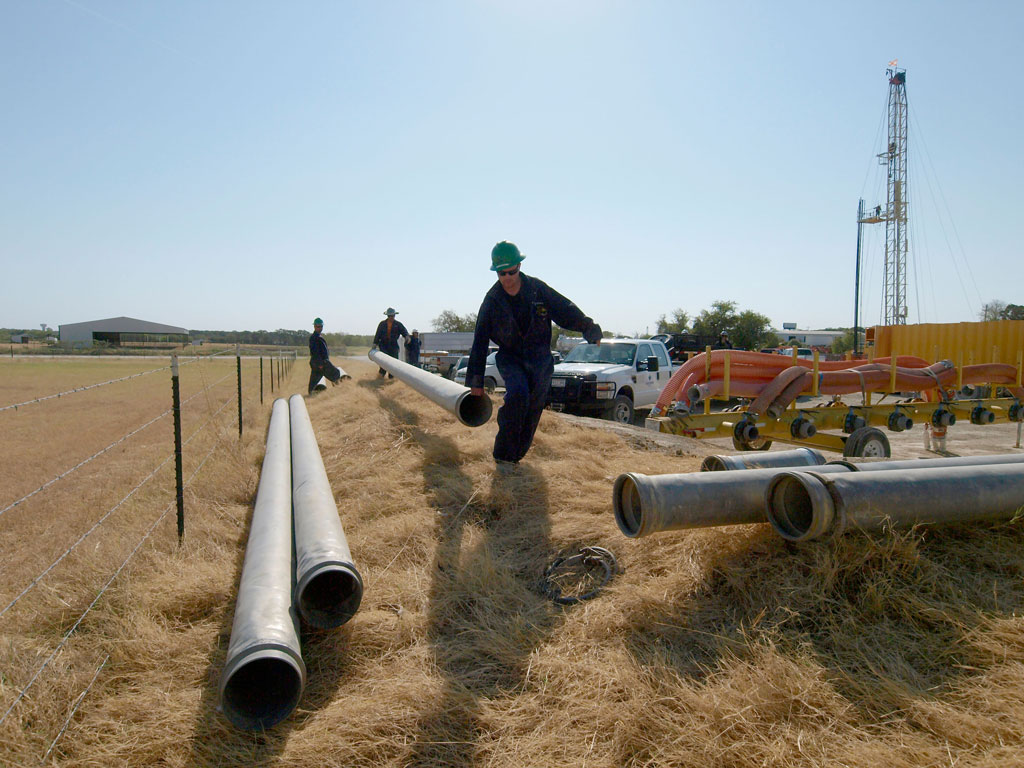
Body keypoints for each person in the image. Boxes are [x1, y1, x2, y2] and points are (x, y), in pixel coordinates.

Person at [467, 241, 602, 472]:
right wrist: (476, 381)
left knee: (534, 407)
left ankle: (516, 456)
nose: (508, 277)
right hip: (510, 357)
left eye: (512, 271)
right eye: (502, 273)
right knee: (518, 395)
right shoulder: (491, 301)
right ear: (496, 272)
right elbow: (479, 340)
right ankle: (503, 457)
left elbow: (564, 309)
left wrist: (589, 327)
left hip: (540, 358)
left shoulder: (538, 290)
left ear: (519, 266)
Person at [373, 307, 410, 378]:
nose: (391, 317)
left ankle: (391, 378)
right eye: (389, 316)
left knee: (393, 363)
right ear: (387, 316)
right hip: (383, 345)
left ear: (394, 315)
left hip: (393, 345)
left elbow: (404, 332)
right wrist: (375, 344)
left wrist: (407, 337)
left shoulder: (398, 324)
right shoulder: (382, 324)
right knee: (384, 361)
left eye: (392, 316)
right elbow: (377, 335)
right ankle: (381, 376)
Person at [308, 317, 342, 394]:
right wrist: (320, 364)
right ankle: (339, 392)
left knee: (314, 381)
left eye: (321, 326)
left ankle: (311, 393)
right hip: (321, 363)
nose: (320, 328)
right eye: (318, 326)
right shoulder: (314, 338)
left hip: (316, 363)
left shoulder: (317, 336)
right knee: (336, 373)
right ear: (314, 327)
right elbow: (315, 352)